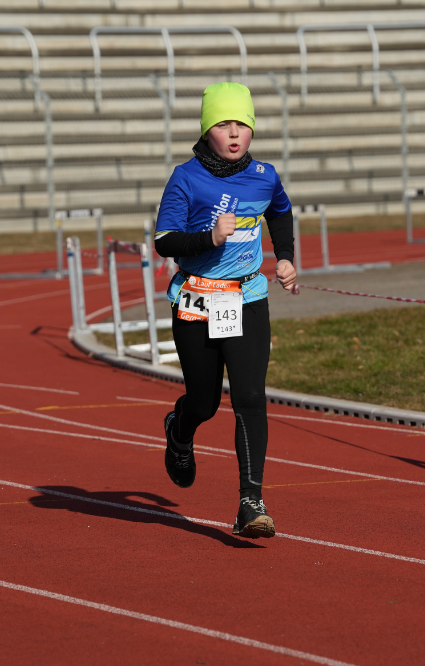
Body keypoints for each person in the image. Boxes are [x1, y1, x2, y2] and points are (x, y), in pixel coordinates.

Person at [154, 82, 297, 538]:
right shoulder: (186, 177)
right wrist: (209, 238)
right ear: (206, 131)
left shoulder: (265, 176)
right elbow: (164, 241)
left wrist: (286, 257)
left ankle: (251, 502)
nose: (234, 134)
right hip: (197, 298)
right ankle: (179, 429)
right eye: (222, 124)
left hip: (246, 296)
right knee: (204, 401)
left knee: (250, 398)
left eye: (242, 124)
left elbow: (280, 213)